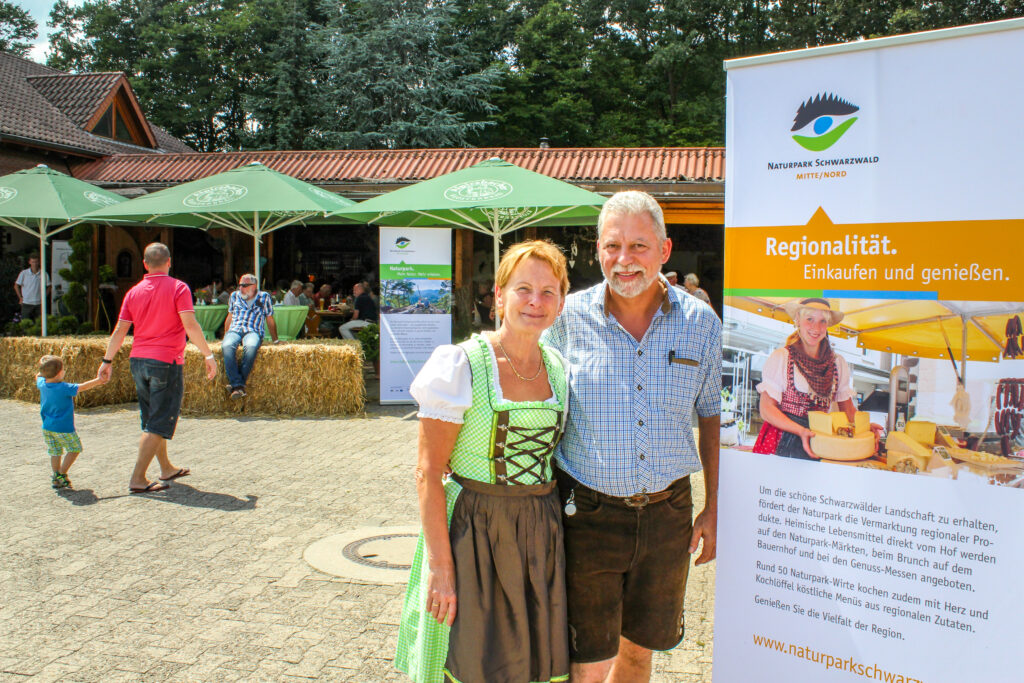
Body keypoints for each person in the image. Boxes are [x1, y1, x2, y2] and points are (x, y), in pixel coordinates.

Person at [542, 191, 721, 683]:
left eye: (639, 246)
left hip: (668, 516)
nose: (624, 261)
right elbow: (523, 390)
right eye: (613, 246)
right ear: (598, 249)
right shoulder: (565, 318)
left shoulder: (700, 323)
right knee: (587, 663)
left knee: (640, 655)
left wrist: (713, 506)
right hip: (587, 515)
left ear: (665, 250)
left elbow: (710, 416)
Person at [395, 240, 571, 683]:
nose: (536, 301)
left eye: (549, 292)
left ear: (562, 301)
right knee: (471, 658)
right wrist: (440, 567)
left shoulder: (559, 369)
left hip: (538, 534)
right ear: (498, 295)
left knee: (526, 661)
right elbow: (428, 472)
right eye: (523, 289)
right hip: (473, 530)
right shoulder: (461, 363)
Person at [98, 243, 217, 494]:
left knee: (152, 419)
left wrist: (107, 361)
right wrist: (208, 354)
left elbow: (120, 330)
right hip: (165, 362)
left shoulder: (133, 291)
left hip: (138, 360)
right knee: (158, 423)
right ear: (169, 262)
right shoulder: (178, 288)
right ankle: (138, 478)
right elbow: (190, 325)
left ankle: (166, 468)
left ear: (144, 264)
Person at [752, 298, 881, 459]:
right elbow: (766, 409)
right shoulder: (782, 358)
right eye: (810, 319)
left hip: (820, 439)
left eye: (822, 321)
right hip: (782, 438)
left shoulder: (837, 363)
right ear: (798, 320)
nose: (816, 328)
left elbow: (847, 410)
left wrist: (865, 427)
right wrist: (800, 430)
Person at [36, 354, 107, 489]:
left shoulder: (42, 384)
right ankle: (62, 474)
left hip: (47, 427)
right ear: (59, 373)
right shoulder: (64, 387)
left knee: (55, 451)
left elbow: (38, 376)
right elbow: (83, 387)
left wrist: (43, 367)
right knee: (75, 449)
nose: (64, 371)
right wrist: (99, 380)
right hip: (63, 427)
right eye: (63, 369)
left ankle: (56, 477)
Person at [222, 273, 280, 399]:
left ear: (254, 286)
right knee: (227, 346)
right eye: (240, 285)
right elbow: (230, 316)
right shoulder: (234, 296)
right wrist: (226, 335)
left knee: (251, 347)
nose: (241, 288)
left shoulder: (264, 297)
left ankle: (236, 385)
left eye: (244, 285)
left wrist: (275, 340)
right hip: (235, 329)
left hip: (253, 330)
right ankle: (238, 386)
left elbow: (269, 318)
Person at [14, 253, 45, 320]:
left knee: (40, 323)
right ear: (29, 262)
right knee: (25, 323)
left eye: (36, 262)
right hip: (26, 302)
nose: (34, 264)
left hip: (39, 303)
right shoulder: (24, 273)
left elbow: (49, 286)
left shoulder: (43, 273)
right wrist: (20, 297)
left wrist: (44, 296)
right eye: (33, 262)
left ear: (39, 262)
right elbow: (16, 285)